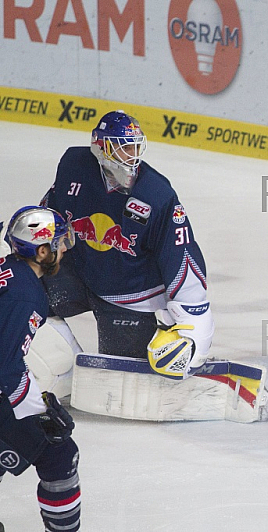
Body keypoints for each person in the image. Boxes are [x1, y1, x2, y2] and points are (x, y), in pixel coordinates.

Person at [40, 110, 214, 379]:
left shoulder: (156, 195)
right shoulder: (74, 165)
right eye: (123, 147)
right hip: (78, 273)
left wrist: (194, 326)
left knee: (121, 378)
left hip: (129, 295)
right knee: (24, 296)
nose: (131, 154)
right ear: (100, 146)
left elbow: (181, 255)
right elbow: (51, 213)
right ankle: (58, 370)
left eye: (134, 146)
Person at [0, 206, 81, 531]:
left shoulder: (7, 269)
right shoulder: (26, 294)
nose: (64, 248)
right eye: (59, 242)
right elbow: (5, 366)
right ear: (42, 250)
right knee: (58, 452)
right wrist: (39, 411)